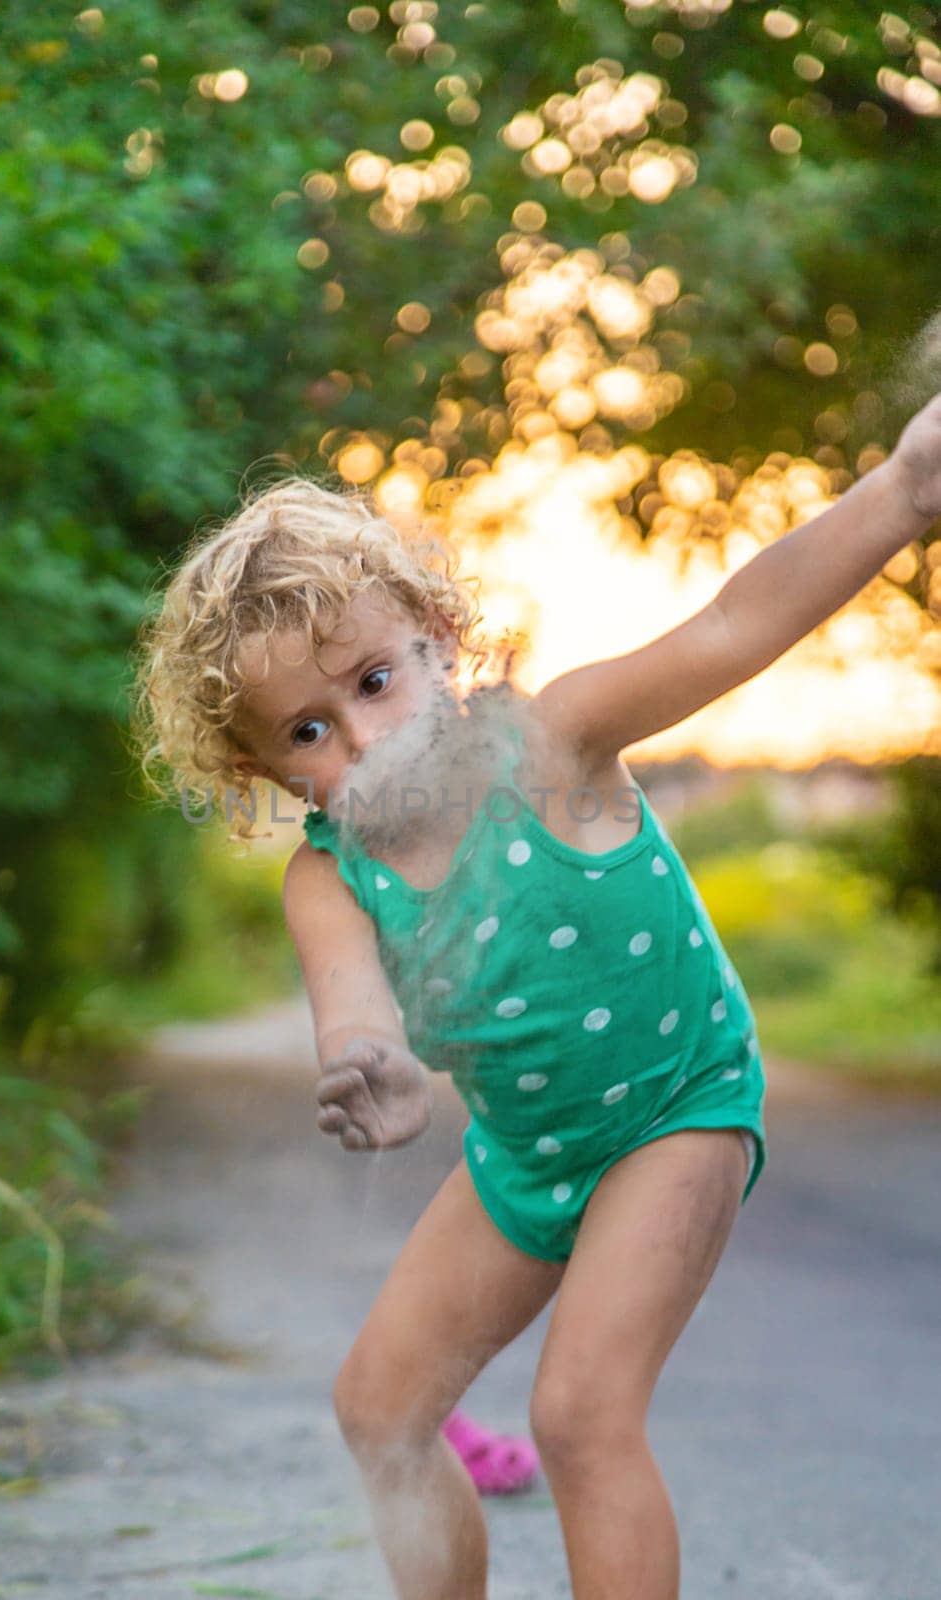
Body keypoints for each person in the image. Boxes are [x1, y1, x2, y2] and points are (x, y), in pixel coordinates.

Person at [132, 394, 939, 1599]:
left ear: (433, 637)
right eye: (308, 728)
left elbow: (728, 625)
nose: (358, 738)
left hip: (677, 1108)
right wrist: (374, 1067)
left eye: (372, 681)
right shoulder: (327, 879)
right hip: (526, 1153)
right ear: (258, 767)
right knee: (378, 1410)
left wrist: (897, 495)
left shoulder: (549, 746)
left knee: (577, 1410)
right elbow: (351, 1011)